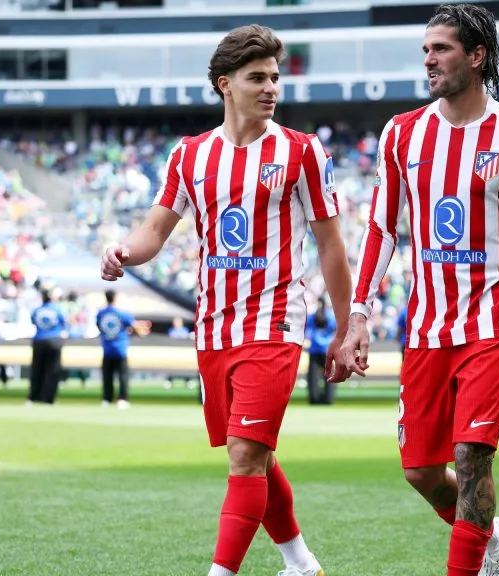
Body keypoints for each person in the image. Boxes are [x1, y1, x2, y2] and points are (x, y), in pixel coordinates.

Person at [99, 24, 354, 576]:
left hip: (275, 322)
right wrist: (123, 251)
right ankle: (302, 564)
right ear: (225, 85)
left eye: (275, 78)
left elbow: (331, 245)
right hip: (214, 328)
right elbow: (153, 232)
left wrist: (345, 325)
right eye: (257, 78)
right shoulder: (189, 156)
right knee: (256, 453)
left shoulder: (302, 152)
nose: (271, 88)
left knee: (244, 453)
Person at [339, 5, 499, 575]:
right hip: (426, 327)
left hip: (495, 323)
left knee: (471, 457)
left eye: (440, 49)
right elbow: (382, 229)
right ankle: (490, 538)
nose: (429, 60)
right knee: (419, 468)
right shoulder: (403, 133)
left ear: (477, 55)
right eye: (426, 50)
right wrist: (358, 314)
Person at [96, 288, 138, 409]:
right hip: (120, 348)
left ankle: (106, 399)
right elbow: (133, 326)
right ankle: (123, 399)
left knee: (107, 376)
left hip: (107, 348)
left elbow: (99, 326)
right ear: (115, 298)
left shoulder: (101, 313)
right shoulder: (122, 313)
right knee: (122, 376)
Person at [28, 289, 68, 405]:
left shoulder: (37, 310)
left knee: (37, 370)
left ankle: (34, 397)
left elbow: (33, 321)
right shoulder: (57, 309)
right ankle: (48, 398)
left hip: (39, 340)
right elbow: (63, 323)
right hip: (54, 340)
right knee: (52, 371)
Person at [305, 298, 337, 405]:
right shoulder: (330, 316)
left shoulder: (312, 316)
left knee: (313, 375)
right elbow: (335, 329)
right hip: (327, 348)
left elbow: (307, 332)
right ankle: (328, 399)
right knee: (329, 374)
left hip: (314, 348)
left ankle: (314, 398)